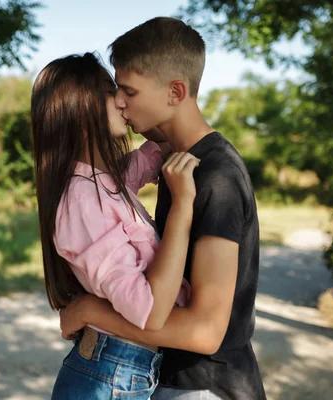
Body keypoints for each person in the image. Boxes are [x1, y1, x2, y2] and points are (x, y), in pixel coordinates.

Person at [59, 17, 267, 399]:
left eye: (129, 91)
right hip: (170, 379)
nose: (118, 101)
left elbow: (205, 332)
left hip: (202, 387)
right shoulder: (177, 166)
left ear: (175, 92)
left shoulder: (214, 176)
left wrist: (91, 312)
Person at [31, 52, 201, 399]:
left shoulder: (101, 183)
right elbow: (149, 311)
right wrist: (182, 208)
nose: (123, 100)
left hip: (121, 369)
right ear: (83, 109)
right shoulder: (81, 199)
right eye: (113, 91)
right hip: (108, 379)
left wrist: (161, 111)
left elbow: (148, 157)